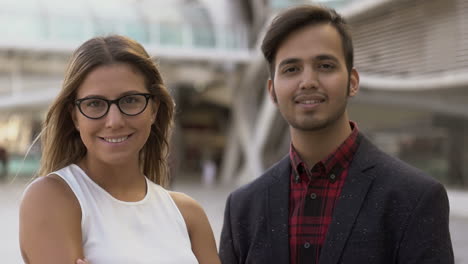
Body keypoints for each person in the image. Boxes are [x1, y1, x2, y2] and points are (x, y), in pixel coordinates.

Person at [219, 5, 454, 264]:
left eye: (325, 65)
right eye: (291, 69)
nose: (308, 81)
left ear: (352, 82)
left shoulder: (414, 198)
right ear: (272, 91)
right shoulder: (243, 208)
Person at [19, 35, 221, 264]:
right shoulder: (52, 198)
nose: (114, 121)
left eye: (130, 101)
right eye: (95, 104)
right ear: (74, 116)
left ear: (153, 109)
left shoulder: (189, 215)